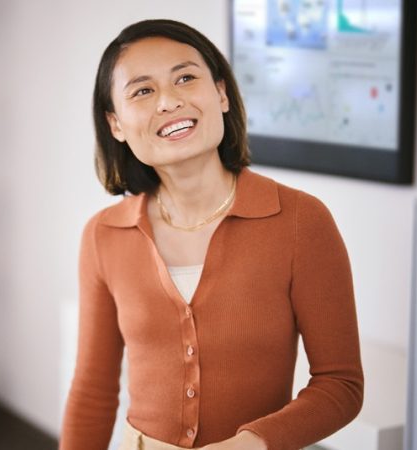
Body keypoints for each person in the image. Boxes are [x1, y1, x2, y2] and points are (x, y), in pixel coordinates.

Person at [60, 19, 363, 450]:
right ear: (116, 124)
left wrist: (249, 444)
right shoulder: (103, 235)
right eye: (142, 91)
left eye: (185, 78)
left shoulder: (301, 220)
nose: (169, 101)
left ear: (220, 93)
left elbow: (341, 385)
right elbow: (92, 392)